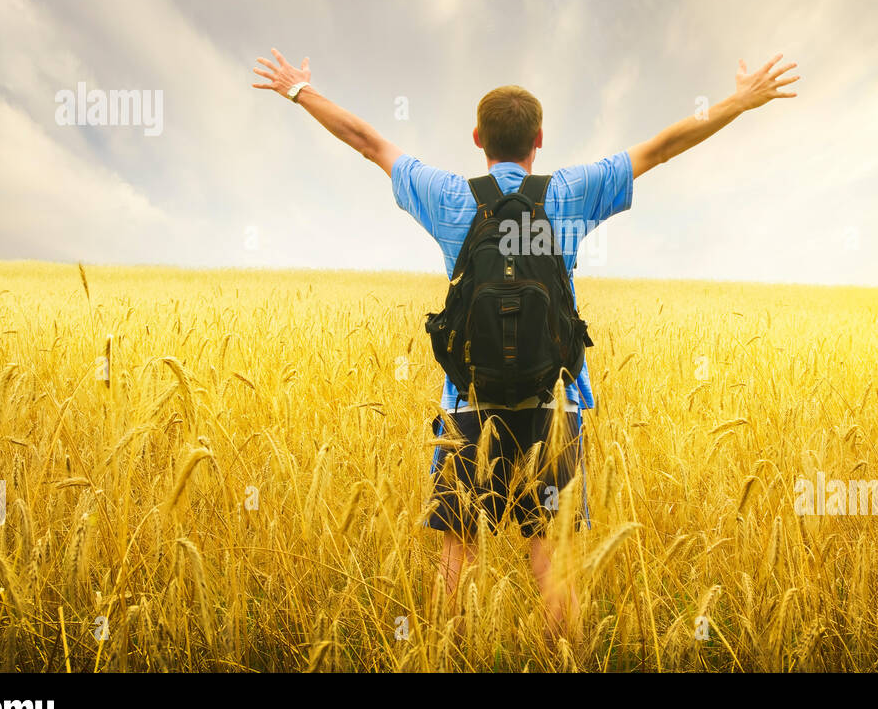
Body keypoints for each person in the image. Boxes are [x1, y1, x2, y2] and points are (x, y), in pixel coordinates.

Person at [251, 48, 798, 642]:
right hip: (554, 403)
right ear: (539, 138)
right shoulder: (570, 192)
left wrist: (298, 90)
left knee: (457, 555)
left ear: (478, 137)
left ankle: (447, 657)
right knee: (550, 557)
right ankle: (561, 657)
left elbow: (367, 141)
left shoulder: (448, 196)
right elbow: (662, 147)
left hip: (468, 402)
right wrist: (740, 102)